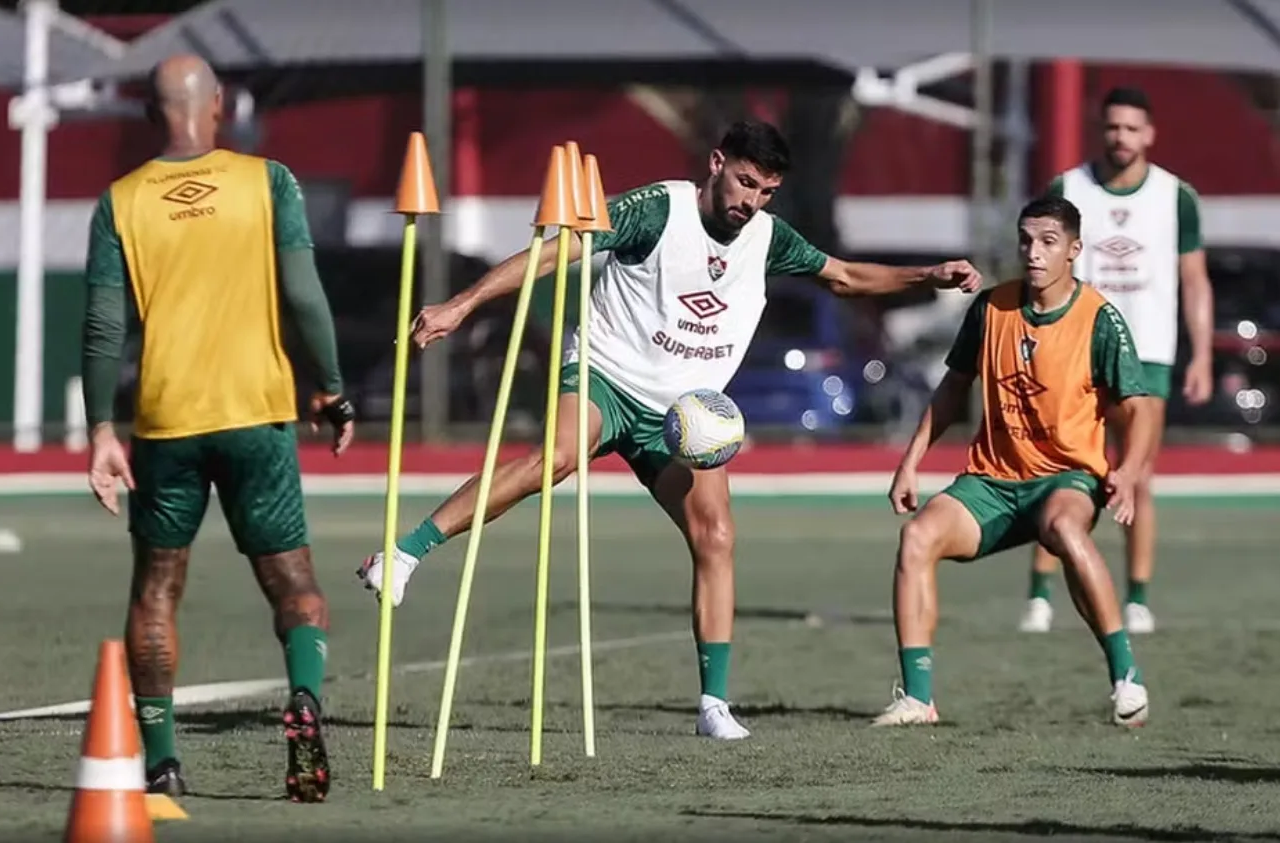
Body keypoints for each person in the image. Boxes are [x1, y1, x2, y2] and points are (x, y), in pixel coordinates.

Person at [357, 119, 982, 740]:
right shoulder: (657, 209)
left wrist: (927, 275)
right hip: (607, 374)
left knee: (716, 535)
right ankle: (404, 554)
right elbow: (554, 253)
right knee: (557, 458)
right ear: (715, 163)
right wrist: (462, 305)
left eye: (766, 191)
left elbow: (845, 277)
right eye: (744, 183)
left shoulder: (766, 236)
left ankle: (713, 704)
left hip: (686, 413)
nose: (751, 202)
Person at [80, 54, 353, 803]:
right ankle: (302, 696)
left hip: (167, 421)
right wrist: (328, 384)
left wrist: (101, 427)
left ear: (149, 116)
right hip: (256, 414)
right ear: (220, 105)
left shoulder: (122, 200)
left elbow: (105, 324)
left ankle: (162, 760)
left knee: (157, 589)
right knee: (293, 583)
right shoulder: (268, 181)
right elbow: (303, 293)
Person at [876, 195, 1154, 728]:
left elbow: (1138, 410)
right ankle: (918, 699)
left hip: (1066, 478)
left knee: (1066, 532)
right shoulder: (990, 307)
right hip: (992, 481)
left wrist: (1128, 471)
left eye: (1048, 242)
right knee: (916, 538)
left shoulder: (1099, 319)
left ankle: (1126, 676)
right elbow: (952, 390)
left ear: (1073, 250)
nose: (1033, 252)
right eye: (1026, 240)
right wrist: (911, 462)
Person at [1019, 86, 1215, 635]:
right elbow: (1043, 265)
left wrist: (1200, 355)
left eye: (1132, 128)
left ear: (1149, 134)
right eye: (1112, 127)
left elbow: (1194, 280)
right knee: (1058, 472)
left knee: (1138, 475)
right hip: (1077, 347)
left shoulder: (1177, 197)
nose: (1121, 137)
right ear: (1100, 130)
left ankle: (1138, 598)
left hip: (1149, 352)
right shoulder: (1069, 188)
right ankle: (1039, 595)